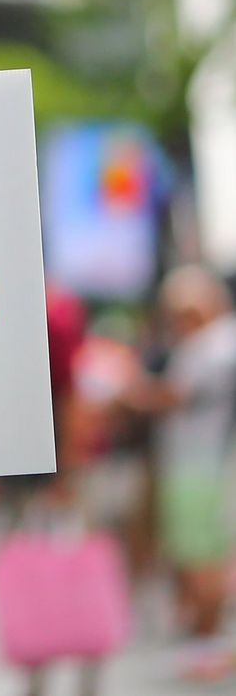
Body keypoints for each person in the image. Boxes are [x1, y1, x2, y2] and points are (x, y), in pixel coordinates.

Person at [123, 263, 236, 680]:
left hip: (202, 469)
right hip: (192, 466)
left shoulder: (216, 345)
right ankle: (202, 640)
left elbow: (171, 396)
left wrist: (129, 389)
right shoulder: (209, 343)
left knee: (204, 558)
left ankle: (210, 643)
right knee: (192, 557)